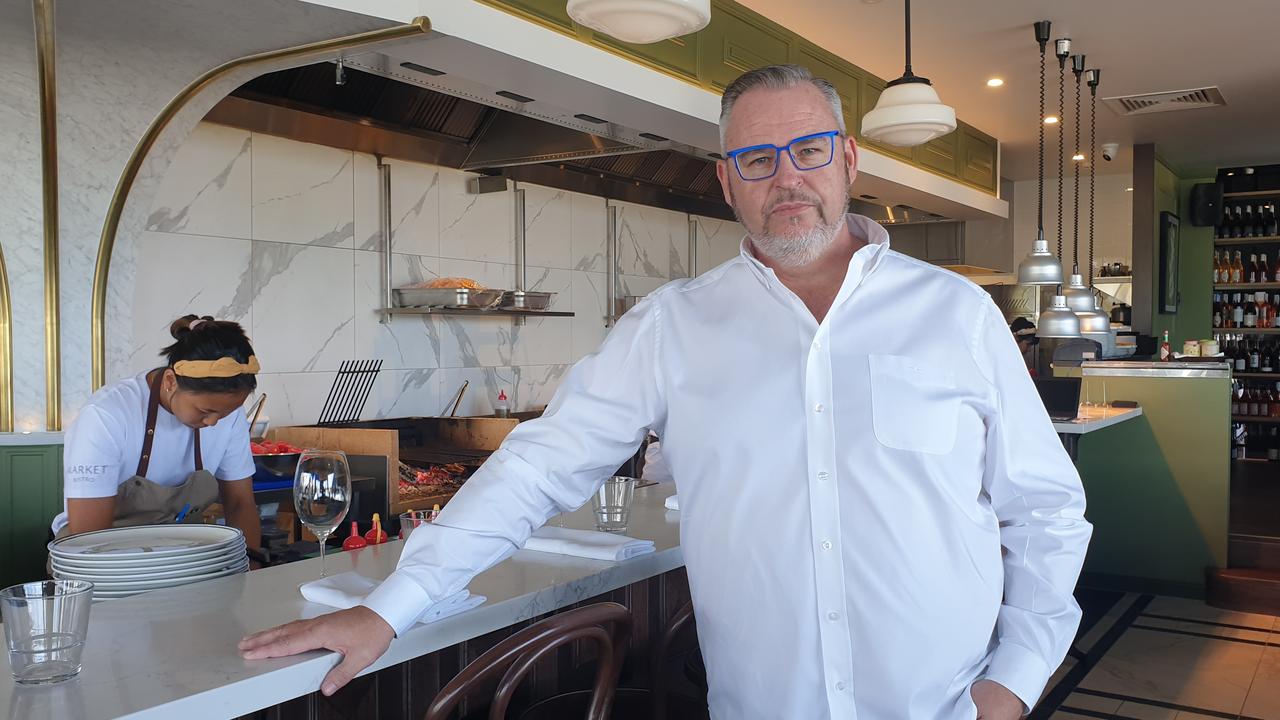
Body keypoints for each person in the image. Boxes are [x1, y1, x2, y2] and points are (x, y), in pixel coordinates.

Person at [241, 65, 1091, 719]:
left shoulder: (953, 313)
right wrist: (389, 609)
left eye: (808, 150)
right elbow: (538, 468)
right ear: (727, 181)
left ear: (848, 159)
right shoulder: (670, 325)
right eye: (755, 158)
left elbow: (1045, 510)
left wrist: (1012, 683)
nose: (785, 177)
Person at [53, 315, 261, 558]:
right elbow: (88, 537)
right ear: (171, 381)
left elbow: (240, 503)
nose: (214, 422)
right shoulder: (105, 416)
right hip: (103, 561)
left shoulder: (229, 416)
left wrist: (250, 569)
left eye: (227, 413)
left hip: (184, 558)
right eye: (205, 411)